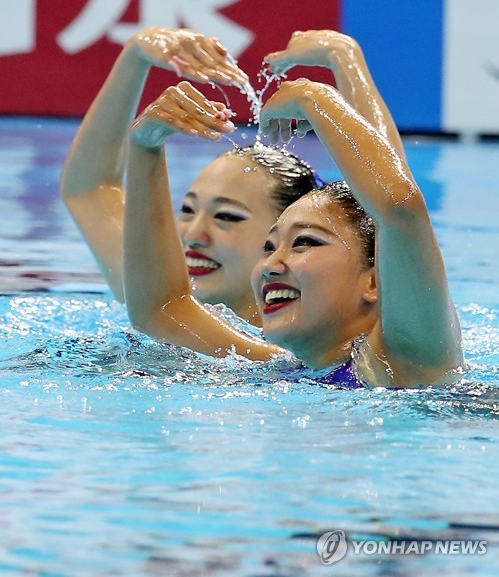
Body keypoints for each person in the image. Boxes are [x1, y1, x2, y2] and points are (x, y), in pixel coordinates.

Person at [122, 73, 464, 388]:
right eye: (269, 247)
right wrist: (145, 144)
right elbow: (162, 310)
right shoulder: (280, 366)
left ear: (375, 281)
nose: (271, 265)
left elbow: (400, 209)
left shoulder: (407, 357)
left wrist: (314, 97)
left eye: (303, 242)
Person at [61, 28, 404, 327]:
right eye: (187, 210)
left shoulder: (337, 334)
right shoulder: (151, 281)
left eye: (227, 217)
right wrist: (135, 55)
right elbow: (90, 189)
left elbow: (394, 209)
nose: (193, 236)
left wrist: (343, 60)